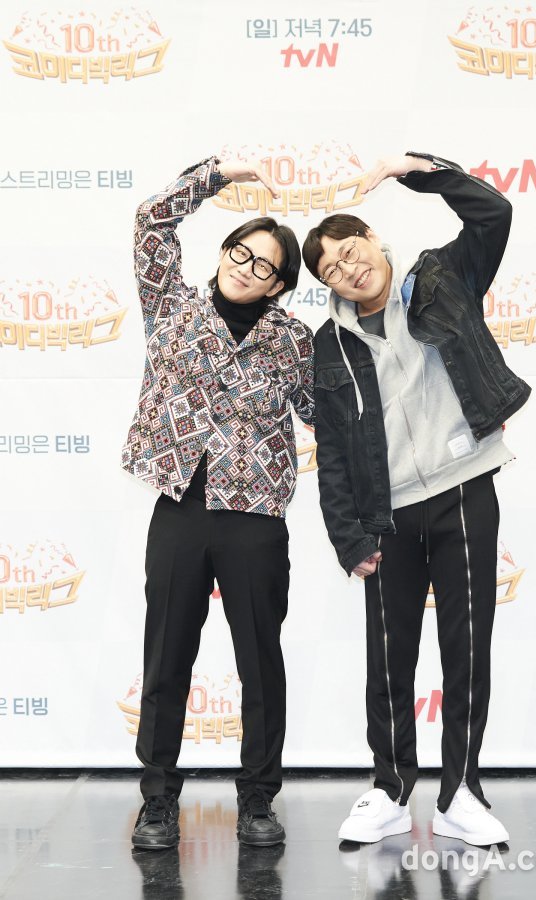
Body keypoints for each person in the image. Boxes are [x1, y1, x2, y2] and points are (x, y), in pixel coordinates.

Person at [303, 151, 530, 847]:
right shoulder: (329, 345)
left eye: (350, 250)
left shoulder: (439, 278)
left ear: (375, 240)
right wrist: (348, 535)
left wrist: (421, 172)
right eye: (331, 269)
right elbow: (333, 450)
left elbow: (493, 213)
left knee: (467, 649)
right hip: (387, 514)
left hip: (463, 489)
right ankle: (391, 789)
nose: (347, 268)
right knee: (388, 655)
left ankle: (461, 793)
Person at [122, 155, 314, 849]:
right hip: (180, 507)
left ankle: (259, 800)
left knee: (260, 660)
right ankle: (157, 801)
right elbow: (151, 221)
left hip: (255, 516)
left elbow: (331, 417)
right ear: (224, 252)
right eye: (240, 252)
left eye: (264, 265)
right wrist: (218, 174)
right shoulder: (172, 307)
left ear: (280, 285)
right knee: (166, 657)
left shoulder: (293, 342)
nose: (245, 268)